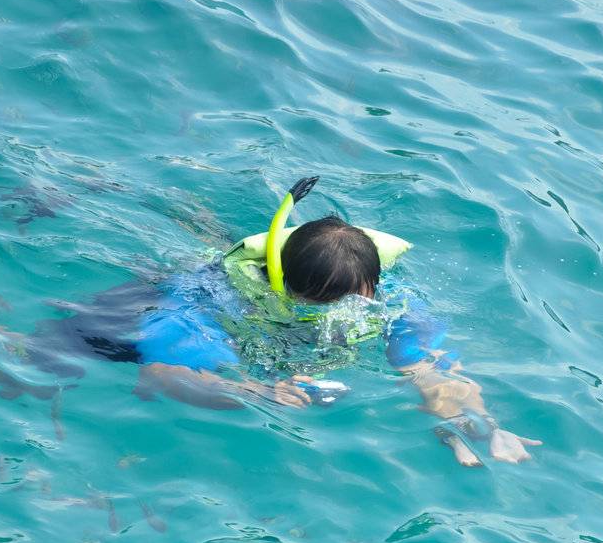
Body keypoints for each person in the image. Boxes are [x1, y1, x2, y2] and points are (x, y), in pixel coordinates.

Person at [35, 178, 539, 465]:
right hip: (167, 301)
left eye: (369, 287)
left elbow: (428, 367)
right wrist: (255, 392)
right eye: (345, 295)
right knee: (71, 354)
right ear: (299, 291)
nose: (365, 300)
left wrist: (481, 422)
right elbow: (163, 373)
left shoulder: (386, 296)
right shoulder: (214, 296)